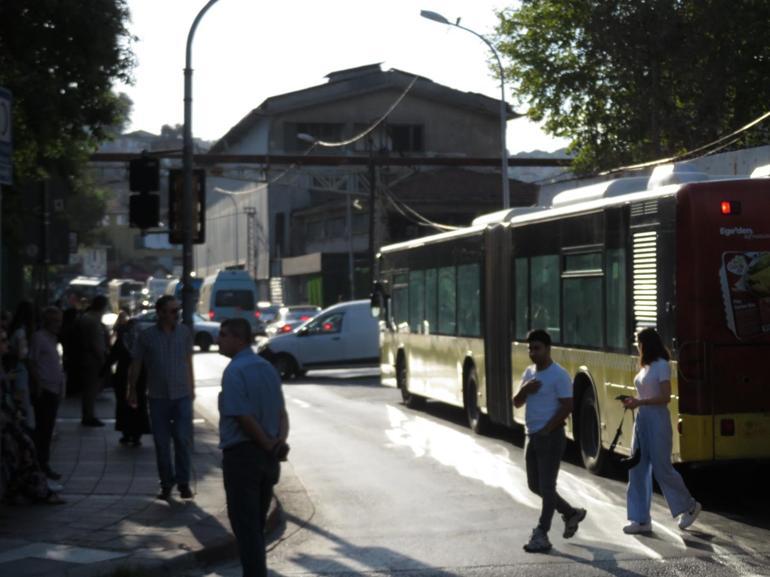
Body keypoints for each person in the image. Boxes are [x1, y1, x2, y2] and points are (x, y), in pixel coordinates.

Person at [218, 317, 289, 577]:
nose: (219, 339)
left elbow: (243, 416)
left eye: (223, 335)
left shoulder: (235, 371)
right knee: (255, 529)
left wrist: (267, 442)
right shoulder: (266, 367)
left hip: (243, 458)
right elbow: (282, 413)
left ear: (238, 339)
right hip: (268, 460)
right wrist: (277, 442)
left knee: (247, 531)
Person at [513, 329, 586, 553]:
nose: (533, 353)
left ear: (548, 349)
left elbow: (568, 406)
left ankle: (541, 533)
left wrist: (548, 429)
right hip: (531, 435)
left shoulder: (559, 375)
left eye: (537, 348)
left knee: (546, 486)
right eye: (530, 349)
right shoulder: (529, 373)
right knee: (534, 485)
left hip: (551, 437)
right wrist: (524, 389)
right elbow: (516, 403)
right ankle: (571, 512)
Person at [622, 327, 701, 534]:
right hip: (642, 420)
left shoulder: (661, 365)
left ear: (646, 344)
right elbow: (646, 392)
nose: (637, 348)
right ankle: (640, 519)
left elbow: (666, 396)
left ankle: (689, 506)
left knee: (662, 467)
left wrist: (640, 401)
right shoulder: (646, 367)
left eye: (639, 344)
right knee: (637, 468)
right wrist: (634, 401)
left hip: (657, 420)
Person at [128, 295, 195, 500]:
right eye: (172, 311)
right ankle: (166, 483)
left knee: (183, 440)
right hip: (157, 397)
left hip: (182, 394)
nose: (176, 315)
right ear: (161, 313)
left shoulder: (184, 333)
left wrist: (192, 387)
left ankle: (183, 483)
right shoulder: (147, 336)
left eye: (177, 310)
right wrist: (131, 389)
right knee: (161, 442)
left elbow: (188, 360)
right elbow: (137, 363)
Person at [0, 328, 65, 505]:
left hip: (8, 419)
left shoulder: (7, 365)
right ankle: (33, 488)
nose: (7, 344)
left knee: (26, 443)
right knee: (24, 444)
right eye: (3, 341)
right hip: (5, 422)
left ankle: (29, 487)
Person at [28, 307, 65, 480]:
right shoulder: (39, 338)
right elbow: (32, 362)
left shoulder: (52, 338)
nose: (59, 325)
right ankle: (40, 464)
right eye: (55, 321)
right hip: (44, 389)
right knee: (43, 428)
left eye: (59, 321)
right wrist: (38, 385)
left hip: (54, 388)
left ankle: (43, 463)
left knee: (48, 428)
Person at [110, 315, 149, 447]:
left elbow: (112, 356)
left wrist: (103, 373)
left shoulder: (123, 340)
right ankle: (136, 434)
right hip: (140, 378)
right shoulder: (142, 342)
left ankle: (126, 433)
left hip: (122, 377)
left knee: (123, 404)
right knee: (139, 405)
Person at [76, 295, 110, 426]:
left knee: (89, 389)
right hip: (92, 359)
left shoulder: (86, 318)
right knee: (91, 389)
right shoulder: (93, 321)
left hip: (86, 357)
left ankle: (88, 414)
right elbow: (96, 343)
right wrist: (102, 360)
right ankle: (88, 416)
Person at [7, 301, 37, 430]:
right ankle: (25, 428)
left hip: (16, 368)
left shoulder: (15, 330)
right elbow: (22, 354)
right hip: (20, 370)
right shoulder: (22, 333)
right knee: (23, 400)